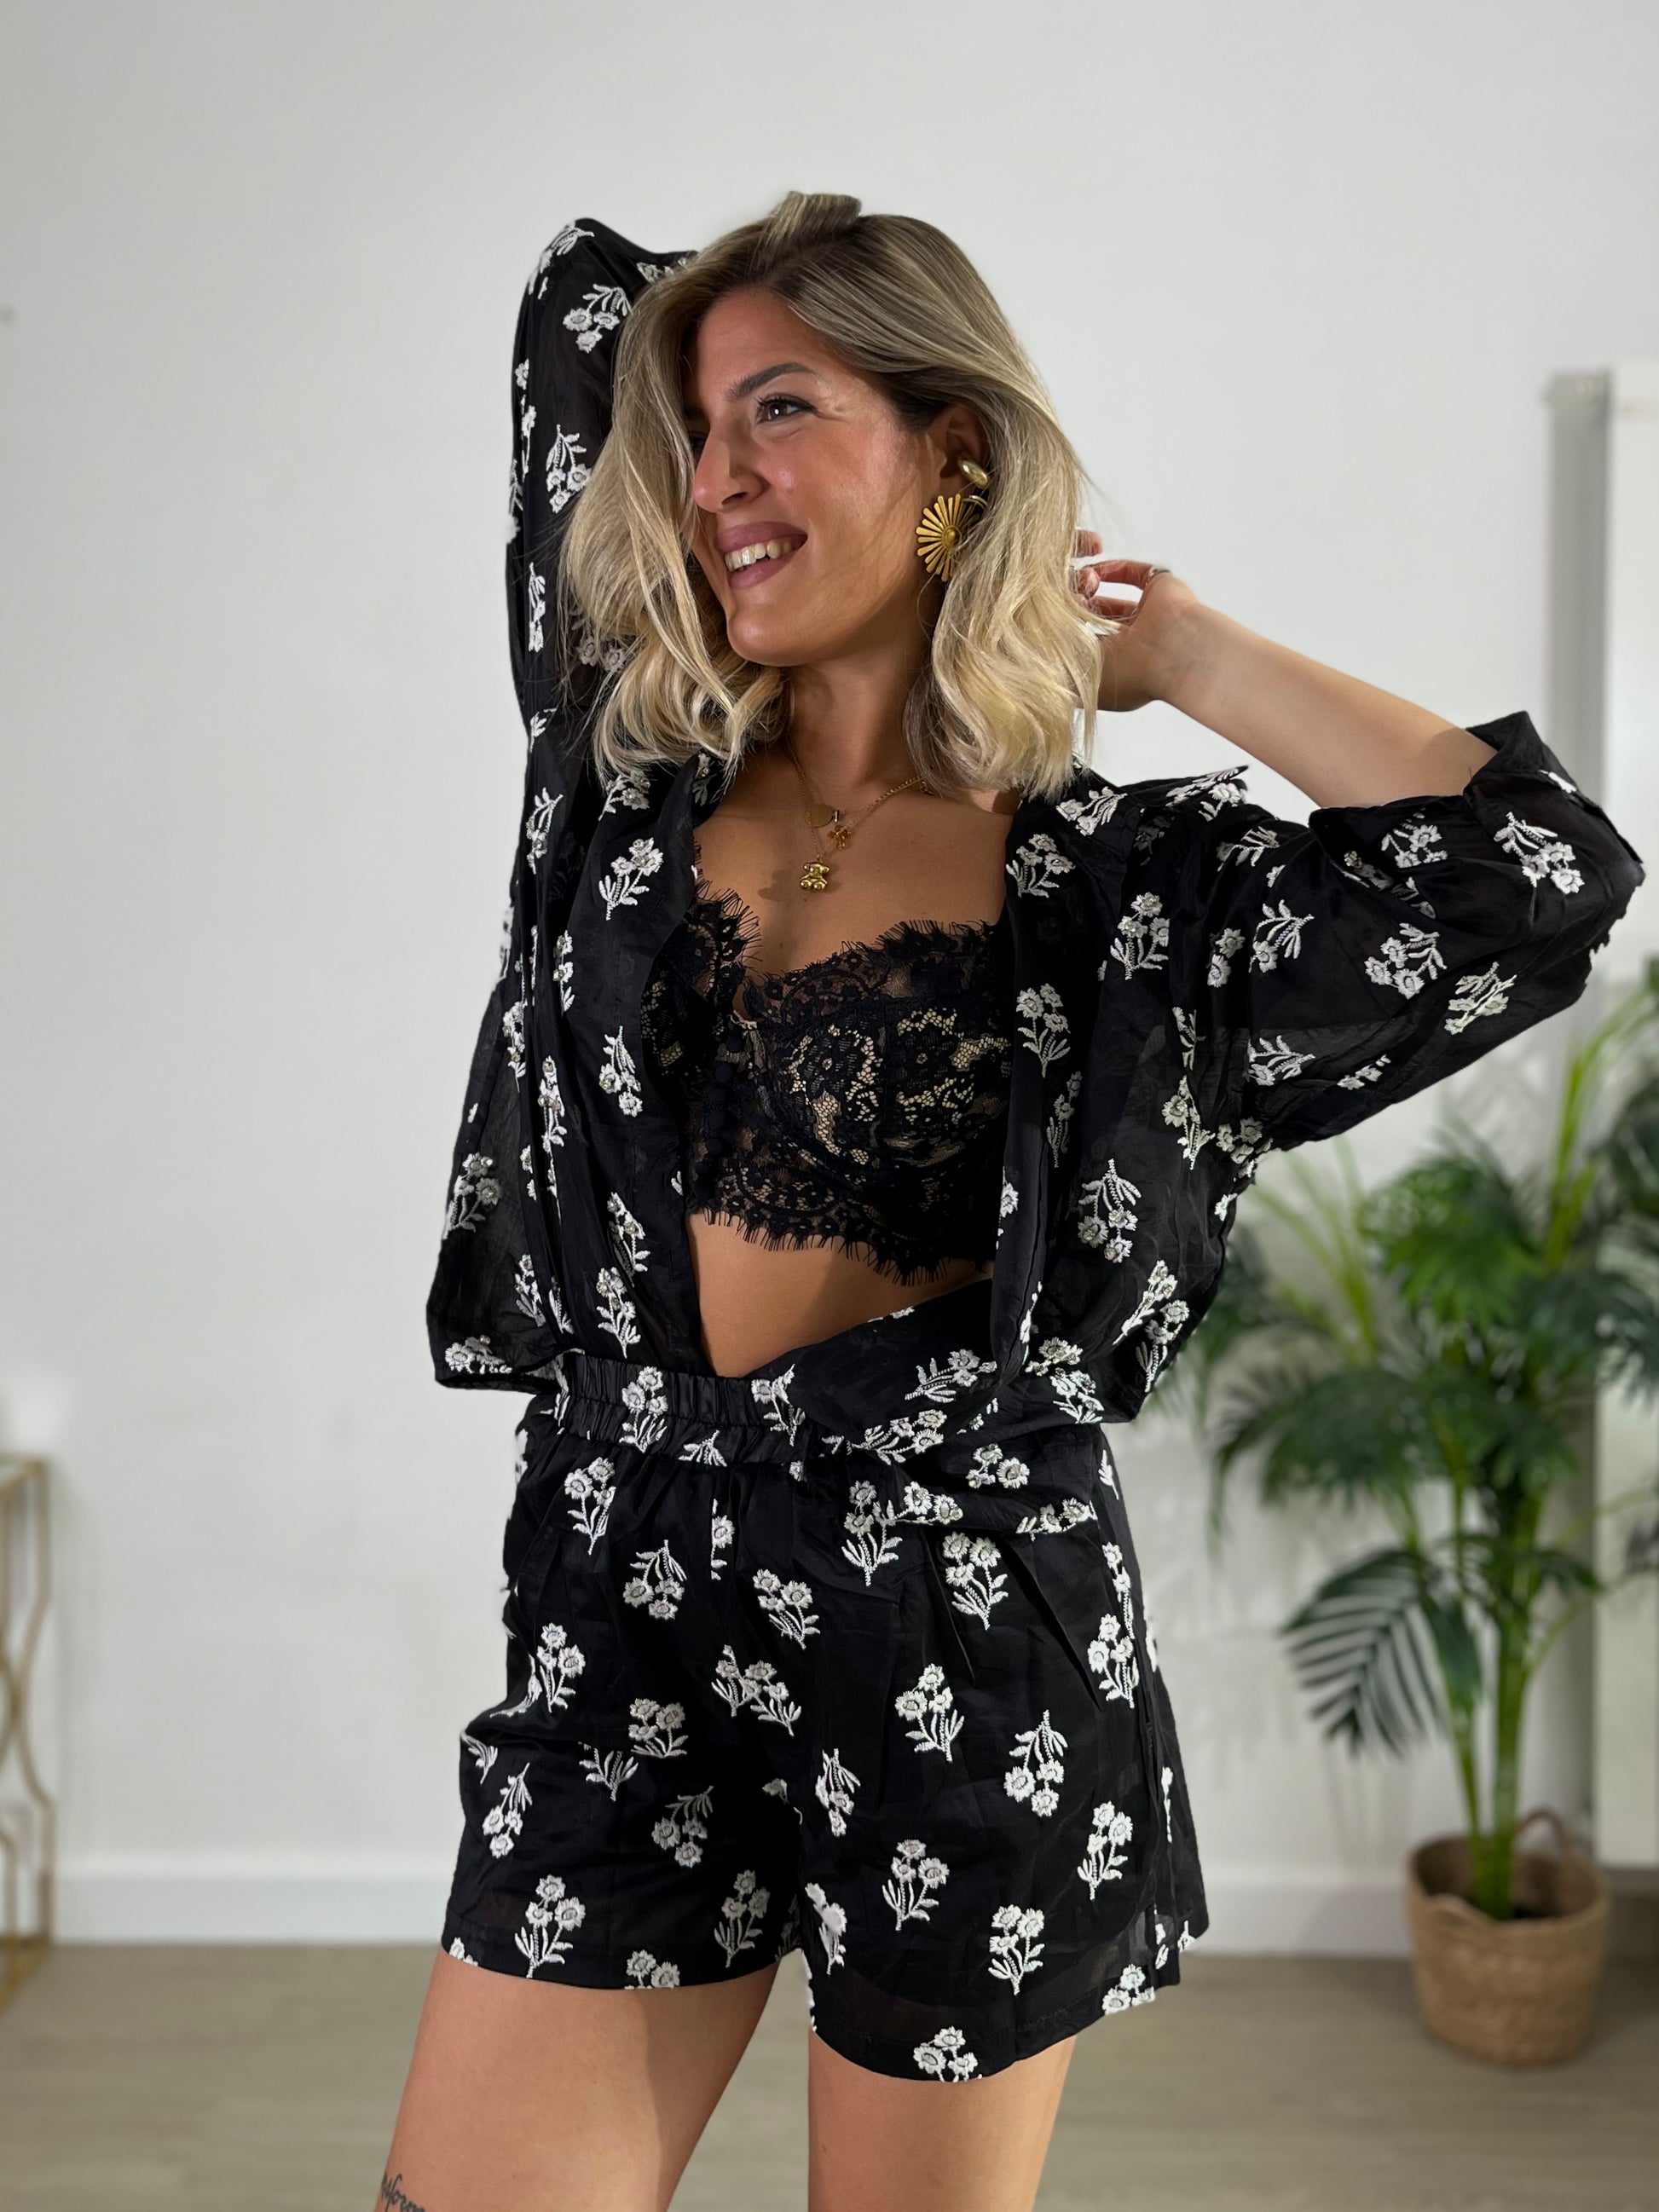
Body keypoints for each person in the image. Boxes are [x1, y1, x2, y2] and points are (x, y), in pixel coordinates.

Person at [376, 193, 1644, 2212]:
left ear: (951, 448)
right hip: (618, 1579)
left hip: (959, 1627)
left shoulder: (1132, 894)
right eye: (697, 433)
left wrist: (1181, 645)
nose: (717, 479)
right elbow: (579, 302)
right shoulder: (620, 765)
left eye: (782, 411)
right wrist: (754, 332)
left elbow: (1536, 877)